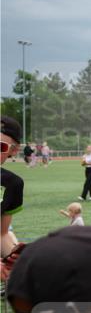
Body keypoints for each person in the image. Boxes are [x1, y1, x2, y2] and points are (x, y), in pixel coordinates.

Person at [1, 116, 25, 280]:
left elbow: (2, 234)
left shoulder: (12, 183)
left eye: (1, 146)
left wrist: (15, 260)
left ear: (13, 151)